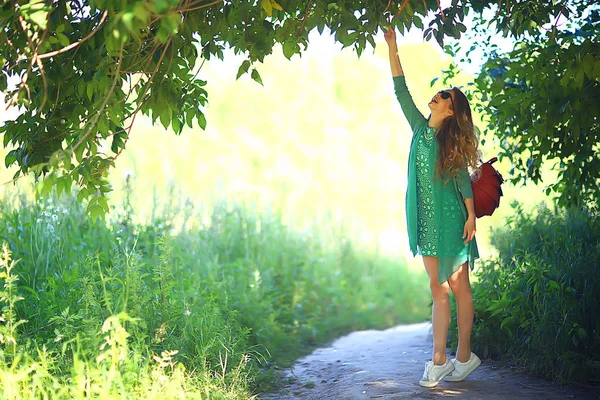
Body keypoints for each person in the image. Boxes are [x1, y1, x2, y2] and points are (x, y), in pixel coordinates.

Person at [384, 26, 482, 388]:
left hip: (454, 222)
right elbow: (400, 88)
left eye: (443, 96)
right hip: (425, 223)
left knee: (459, 287)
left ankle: (463, 354)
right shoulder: (418, 127)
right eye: (439, 93)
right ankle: (439, 359)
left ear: (451, 109)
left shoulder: (450, 142)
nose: (436, 96)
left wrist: (471, 214)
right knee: (437, 289)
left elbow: (460, 181)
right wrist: (393, 45)